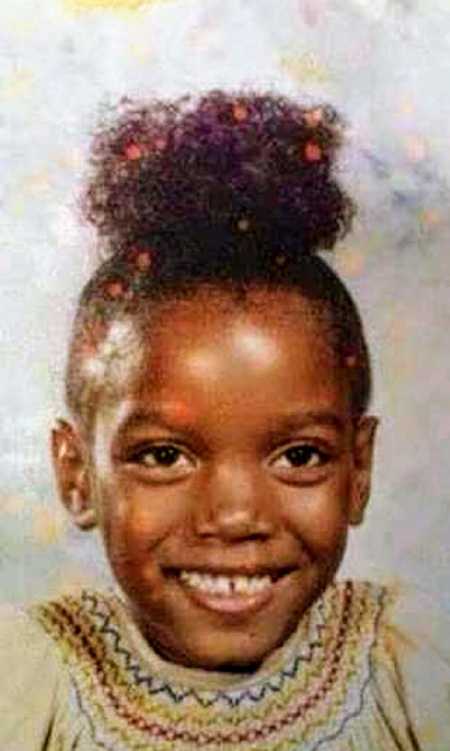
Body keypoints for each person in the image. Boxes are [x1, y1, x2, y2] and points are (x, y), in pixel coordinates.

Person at [1, 91, 448, 750]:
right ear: (76, 473)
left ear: (360, 470)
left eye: (299, 456)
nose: (236, 516)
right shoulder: (30, 681)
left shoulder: (410, 667)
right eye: (162, 455)